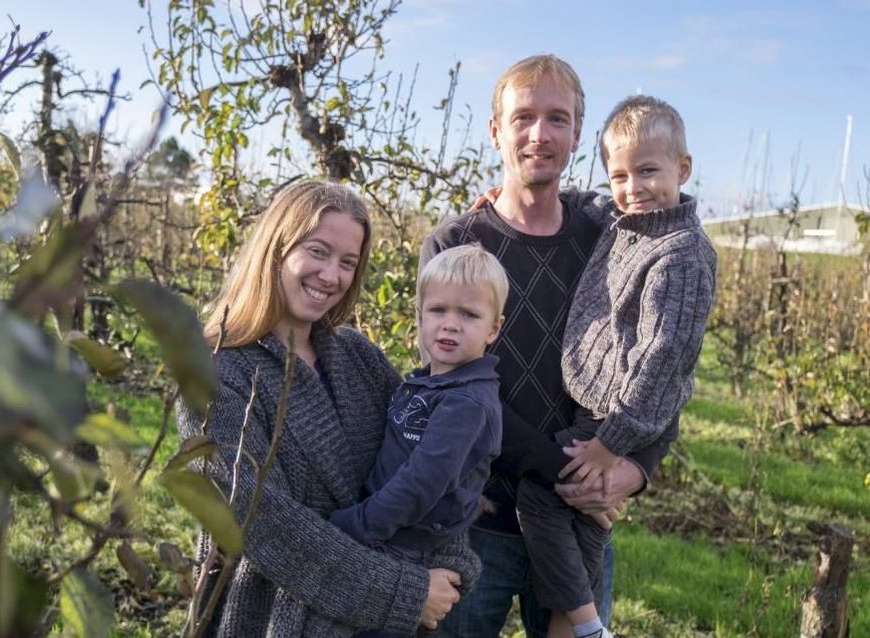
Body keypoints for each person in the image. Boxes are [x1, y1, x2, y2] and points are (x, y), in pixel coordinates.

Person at [420, 55, 676, 637]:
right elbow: (450, 384)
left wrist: (635, 468)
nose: (540, 134)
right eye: (523, 117)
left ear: (578, 135)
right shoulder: (458, 243)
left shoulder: (611, 236)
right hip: (474, 526)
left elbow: (663, 356)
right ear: (495, 131)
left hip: (581, 524)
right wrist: (570, 470)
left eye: (557, 119)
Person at [176, 180, 479, 637]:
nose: (332, 275)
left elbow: (429, 460)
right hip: (267, 619)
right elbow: (258, 522)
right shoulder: (215, 369)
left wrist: (449, 555)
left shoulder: (360, 358)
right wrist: (403, 592)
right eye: (317, 251)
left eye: (348, 263)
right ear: (276, 248)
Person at [515, 95, 718, 638]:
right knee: (582, 526)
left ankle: (584, 624)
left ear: (684, 169)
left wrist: (612, 445)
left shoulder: (679, 255)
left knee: (543, 495)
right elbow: (587, 203)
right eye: (620, 176)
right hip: (600, 407)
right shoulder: (628, 219)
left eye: (648, 171)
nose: (634, 189)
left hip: (611, 416)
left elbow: (662, 362)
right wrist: (503, 195)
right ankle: (583, 626)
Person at [329, 245, 508, 636]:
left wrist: (356, 525)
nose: (450, 324)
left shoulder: (466, 402)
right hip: (390, 534)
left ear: (493, 328)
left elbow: (423, 481)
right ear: (420, 316)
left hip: (405, 547)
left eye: (469, 314)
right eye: (438, 310)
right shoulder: (431, 382)